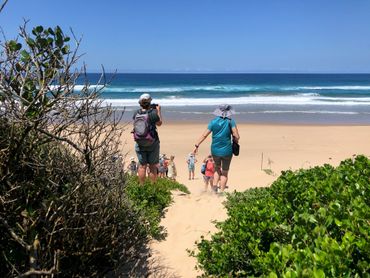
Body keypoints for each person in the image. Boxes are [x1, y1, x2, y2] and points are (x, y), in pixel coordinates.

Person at [193, 104, 240, 193]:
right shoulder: (231, 122)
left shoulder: (213, 122)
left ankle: (214, 189)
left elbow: (204, 135)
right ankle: (221, 192)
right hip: (227, 150)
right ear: (228, 112)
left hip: (215, 150)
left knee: (217, 169)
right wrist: (236, 140)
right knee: (225, 172)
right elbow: (236, 136)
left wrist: (197, 145)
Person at [133, 93, 162, 184]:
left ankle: (142, 188)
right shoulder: (152, 113)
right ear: (150, 102)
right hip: (152, 142)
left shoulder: (136, 113)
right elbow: (159, 123)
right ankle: (152, 189)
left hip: (139, 142)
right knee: (152, 166)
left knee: (142, 166)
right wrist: (158, 111)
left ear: (140, 103)